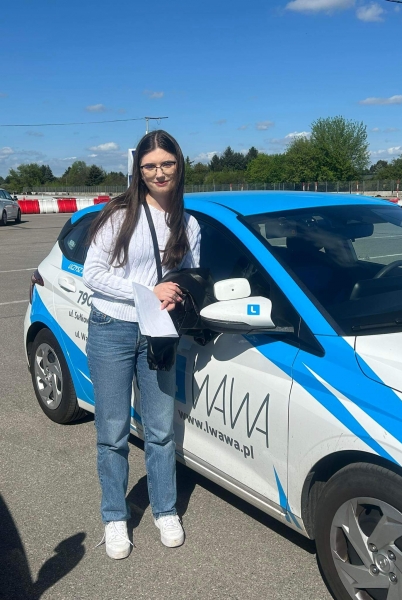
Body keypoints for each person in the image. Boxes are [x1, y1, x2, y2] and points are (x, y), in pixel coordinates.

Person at [83, 130, 201, 560]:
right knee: (112, 431)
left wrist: (177, 293)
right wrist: (147, 291)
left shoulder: (189, 223)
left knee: (161, 430)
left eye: (166, 163)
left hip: (158, 331)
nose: (159, 173)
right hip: (111, 328)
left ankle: (165, 509)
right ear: (139, 170)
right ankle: (115, 516)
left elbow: (190, 276)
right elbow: (92, 273)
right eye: (149, 166)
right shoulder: (120, 215)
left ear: (179, 165)